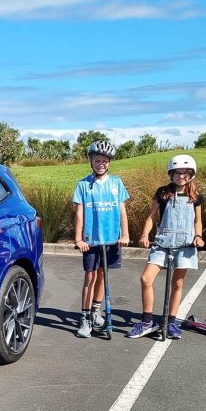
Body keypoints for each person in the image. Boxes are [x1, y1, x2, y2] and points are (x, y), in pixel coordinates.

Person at [127, 154, 205, 339]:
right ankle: (147, 322)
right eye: (177, 173)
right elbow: (151, 217)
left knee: (177, 283)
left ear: (191, 174)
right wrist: (145, 235)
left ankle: (171, 322)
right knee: (146, 279)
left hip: (185, 244)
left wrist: (199, 236)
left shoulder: (195, 197)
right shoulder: (163, 192)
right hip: (163, 242)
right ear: (171, 174)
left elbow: (198, 221)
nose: (181, 176)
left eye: (185, 173)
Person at [72, 140, 130, 338]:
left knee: (103, 275)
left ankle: (96, 311)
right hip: (91, 240)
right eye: (97, 160)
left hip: (111, 239)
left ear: (109, 163)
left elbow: (123, 211)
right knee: (90, 277)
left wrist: (125, 234)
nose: (101, 164)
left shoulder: (116, 183)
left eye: (105, 161)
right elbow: (79, 214)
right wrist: (78, 239)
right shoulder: (83, 185)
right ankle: (85, 317)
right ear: (91, 161)